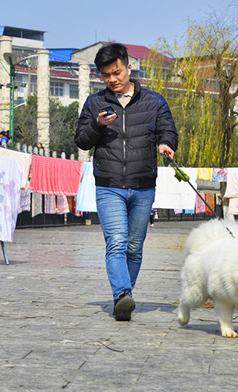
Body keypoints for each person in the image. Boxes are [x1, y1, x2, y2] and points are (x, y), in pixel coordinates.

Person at [75, 43, 178, 321]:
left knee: (134, 246)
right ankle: (122, 295)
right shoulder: (95, 103)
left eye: (116, 72)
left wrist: (166, 144)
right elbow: (82, 141)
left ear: (128, 67)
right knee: (117, 242)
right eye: (106, 75)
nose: (112, 79)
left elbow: (168, 129)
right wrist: (97, 125)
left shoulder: (154, 101)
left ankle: (124, 299)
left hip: (143, 184)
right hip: (109, 184)